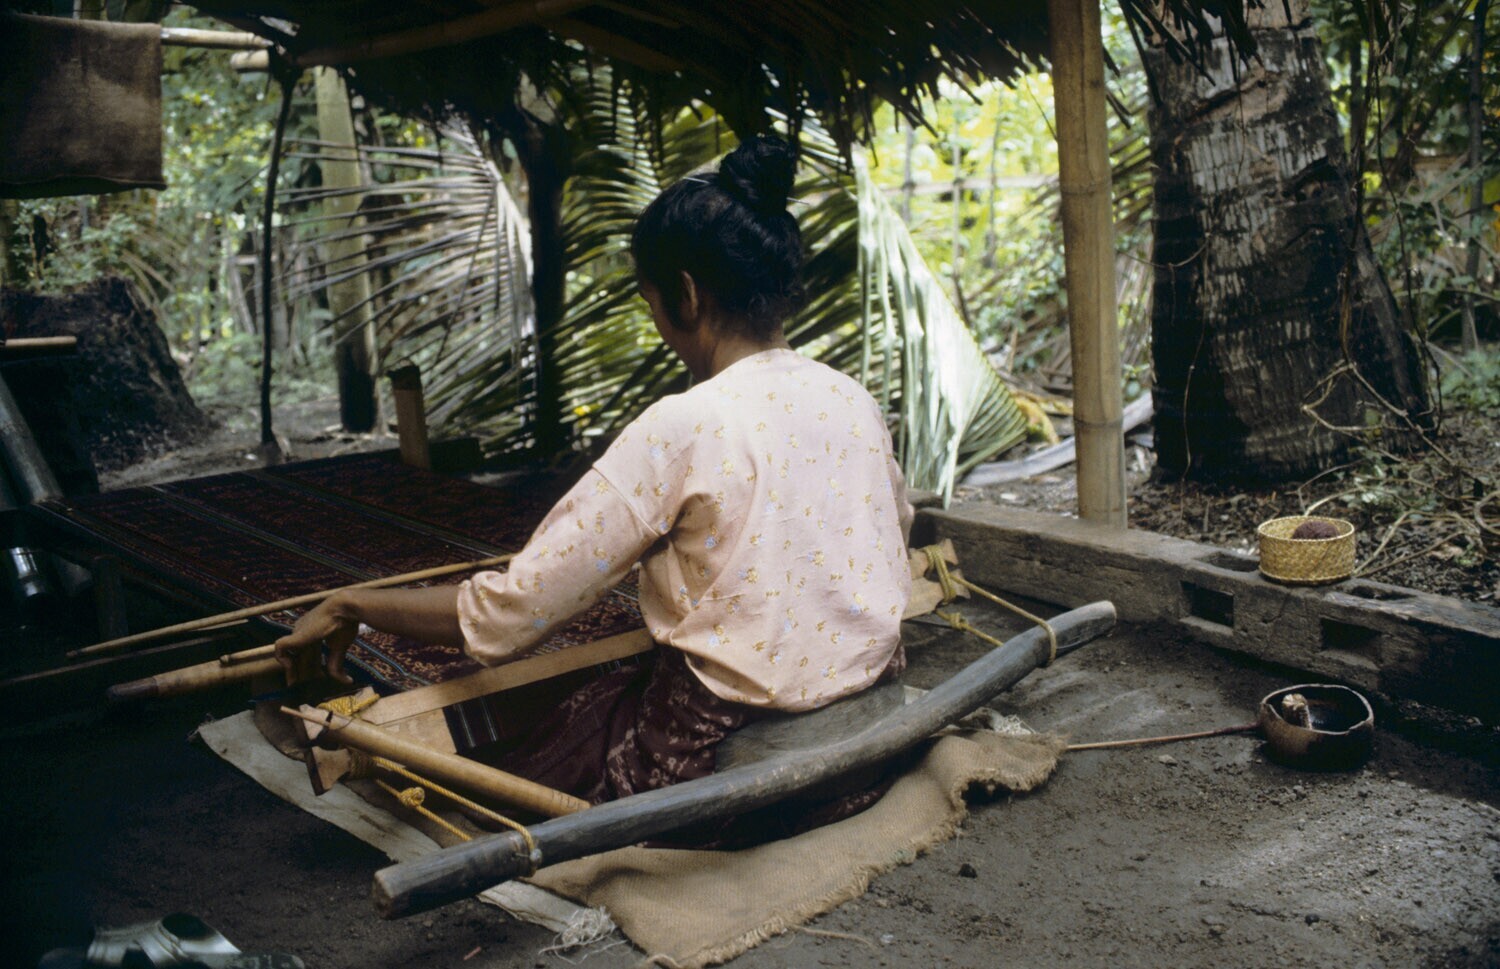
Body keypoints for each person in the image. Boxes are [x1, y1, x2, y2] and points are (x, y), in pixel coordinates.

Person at [275, 135, 912, 814]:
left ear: (686, 295)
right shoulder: (852, 399)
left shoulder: (684, 425)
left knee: (559, 739)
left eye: (652, 303)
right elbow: (891, 534)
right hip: (867, 742)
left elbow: (514, 612)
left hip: (735, 770)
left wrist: (351, 605)